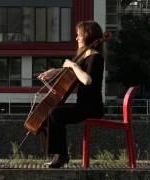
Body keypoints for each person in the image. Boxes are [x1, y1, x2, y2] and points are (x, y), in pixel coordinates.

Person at [37, 20, 105, 168]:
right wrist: (54, 71)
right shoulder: (86, 56)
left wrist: (73, 65)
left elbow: (87, 80)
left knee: (55, 114)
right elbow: (73, 74)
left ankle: (61, 156)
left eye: (79, 35)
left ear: (87, 36)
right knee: (53, 113)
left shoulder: (96, 57)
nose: (76, 38)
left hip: (92, 108)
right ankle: (60, 155)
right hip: (83, 105)